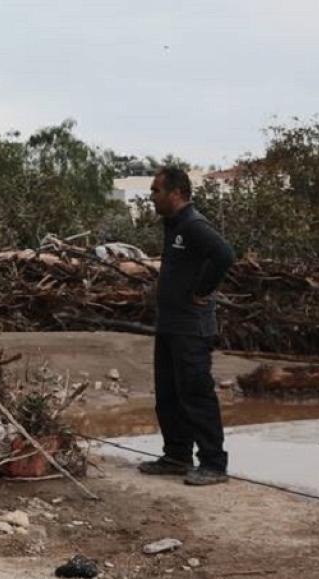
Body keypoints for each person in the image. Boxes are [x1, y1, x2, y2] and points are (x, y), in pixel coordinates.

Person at [138, 167, 235, 486]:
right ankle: (177, 455)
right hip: (169, 325)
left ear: (176, 192)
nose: (152, 197)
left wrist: (203, 291)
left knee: (196, 394)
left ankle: (213, 463)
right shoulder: (173, 225)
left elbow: (224, 254)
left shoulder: (193, 225)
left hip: (191, 328)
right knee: (168, 394)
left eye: (156, 190)